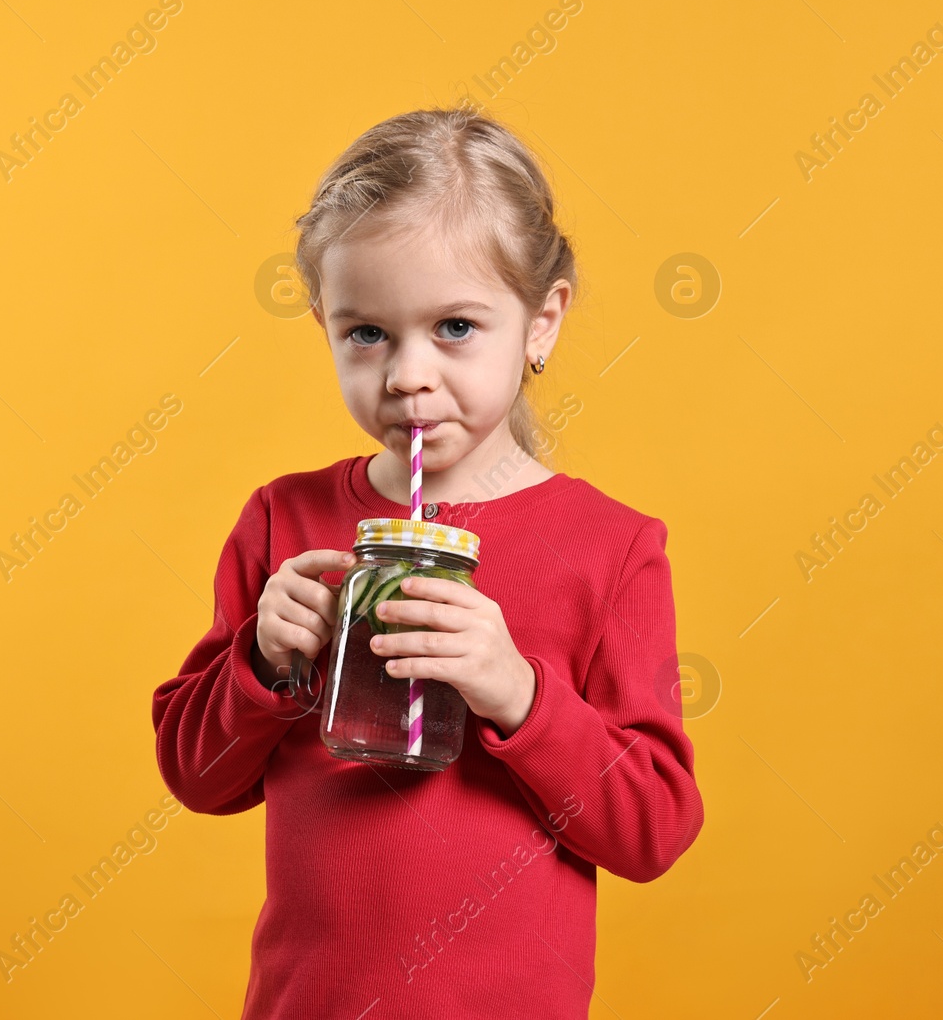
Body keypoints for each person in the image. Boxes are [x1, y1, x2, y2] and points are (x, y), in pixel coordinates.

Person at [150, 106, 704, 1019]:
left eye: (454, 326)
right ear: (324, 321)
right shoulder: (285, 521)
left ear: (541, 322)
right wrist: (260, 659)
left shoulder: (612, 546)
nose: (408, 373)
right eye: (367, 332)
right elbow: (195, 775)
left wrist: (516, 689)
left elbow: (653, 828)